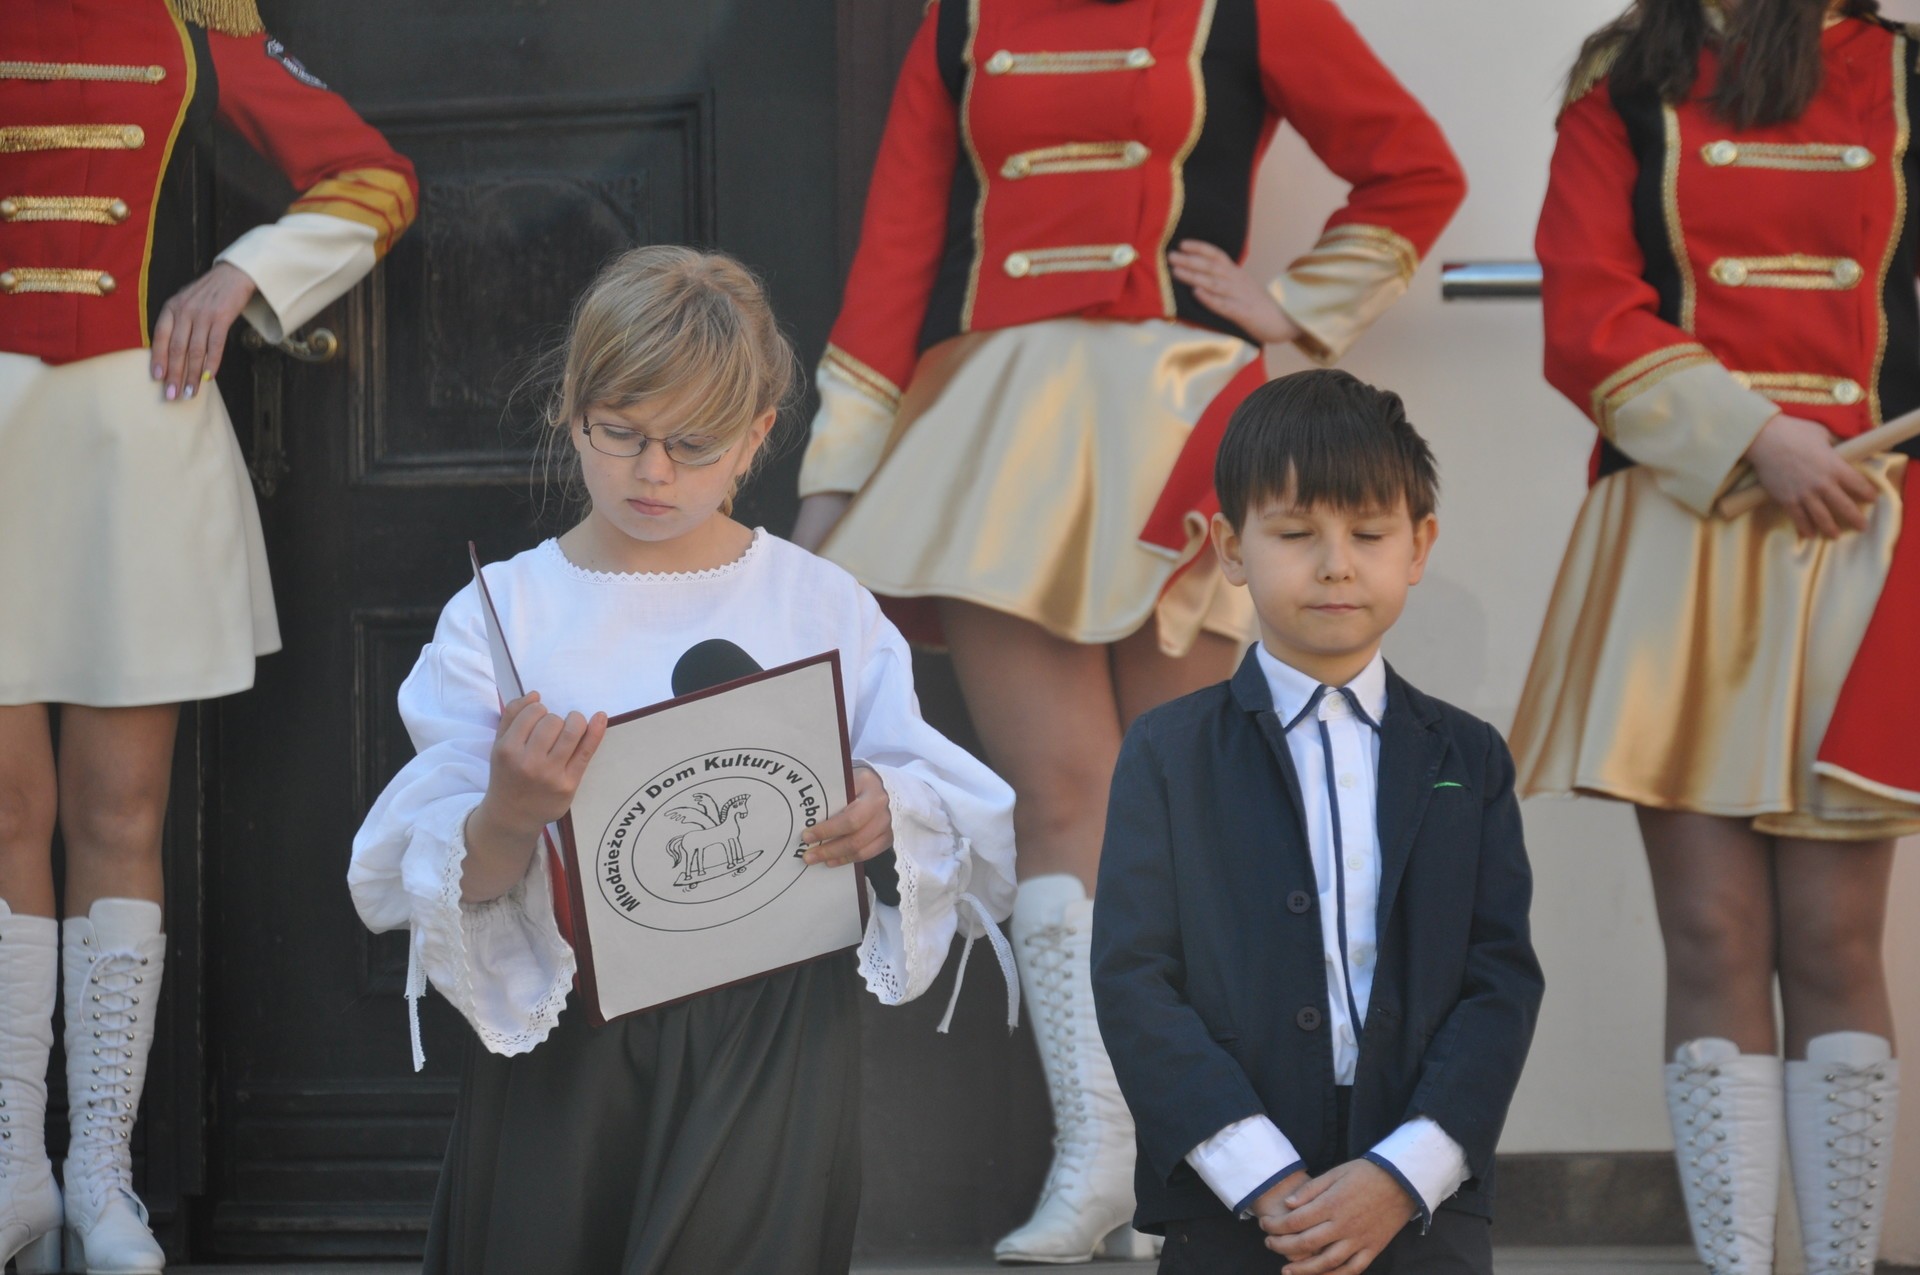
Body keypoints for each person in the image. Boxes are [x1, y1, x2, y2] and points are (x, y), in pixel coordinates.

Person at [790, 1, 1466, 1259]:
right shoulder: (960, 18)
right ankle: (1097, 1156)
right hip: (994, 425)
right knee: (1057, 796)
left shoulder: (1253, 7)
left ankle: (1193, 1159)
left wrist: (1294, 306)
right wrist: (834, 479)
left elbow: (1415, 168)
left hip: (1179, 417)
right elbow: (897, 252)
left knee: (1188, 811)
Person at [347, 246, 1018, 1275]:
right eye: (620, 433)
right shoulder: (506, 612)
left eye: (694, 443)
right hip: (575, 1044)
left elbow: (949, 813)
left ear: (756, 437)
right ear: (570, 411)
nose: (653, 472)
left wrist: (885, 807)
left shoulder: (816, 603)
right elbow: (437, 880)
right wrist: (509, 811)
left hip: (773, 1033)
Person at [0, 2, 417, 1269]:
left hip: (137, 442)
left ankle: (101, 1177)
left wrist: (244, 276)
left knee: (120, 811)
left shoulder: (189, 23)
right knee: (3, 814)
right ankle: (13, 1172)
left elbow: (374, 180)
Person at [1514, 0, 1918, 1267]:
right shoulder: (1623, 71)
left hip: (1868, 529)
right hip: (1684, 526)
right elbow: (1586, 307)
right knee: (1712, 934)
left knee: (1836, 940)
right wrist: (1752, 435)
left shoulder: (1903, 67)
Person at [1092, 370, 1544, 1274]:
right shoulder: (1168, 751)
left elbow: (1500, 980)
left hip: (1425, 1205)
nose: (1336, 563)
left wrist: (1404, 1173)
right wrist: (1261, 1175)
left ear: (1418, 545)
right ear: (1231, 546)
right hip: (1230, 1205)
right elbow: (1135, 978)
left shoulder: (1470, 756)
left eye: (1369, 533)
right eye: (1296, 533)